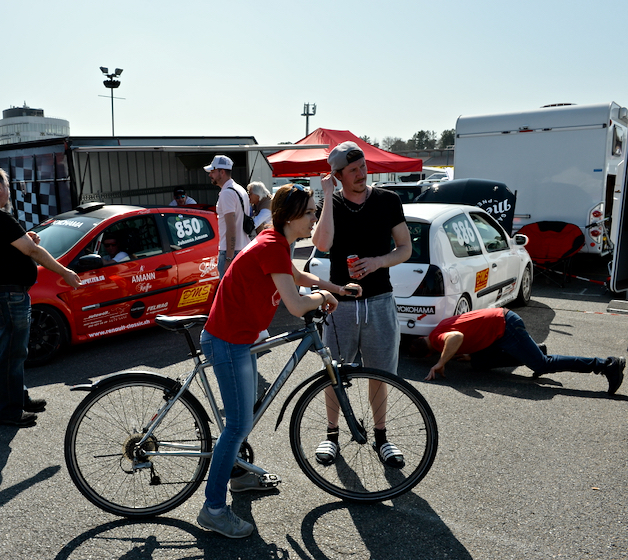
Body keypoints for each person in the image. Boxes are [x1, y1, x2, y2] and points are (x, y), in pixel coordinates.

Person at [196, 184, 361, 538]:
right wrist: (320, 297)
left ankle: (238, 477)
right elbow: (297, 304)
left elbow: (297, 277)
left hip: (237, 338)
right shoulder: (272, 244)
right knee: (238, 425)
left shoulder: (277, 241)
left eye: (314, 212)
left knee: (245, 416)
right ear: (289, 217)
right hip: (228, 341)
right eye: (308, 213)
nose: (314, 218)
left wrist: (335, 289)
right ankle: (212, 509)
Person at [311, 141, 412, 468]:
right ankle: (332, 435)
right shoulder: (334, 204)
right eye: (353, 170)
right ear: (337, 175)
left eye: (363, 167)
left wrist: (379, 262)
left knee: (380, 374)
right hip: (341, 304)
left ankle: (381, 437)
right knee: (333, 374)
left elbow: (406, 248)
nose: (361, 174)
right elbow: (322, 243)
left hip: (380, 300)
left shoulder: (387, 200)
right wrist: (327, 198)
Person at [0, 166, 82, 428]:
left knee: (13, 353)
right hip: (8, 296)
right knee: (10, 354)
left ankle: (18, 398)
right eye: (6, 186)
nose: (8, 191)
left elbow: (3, 249)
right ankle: (9, 412)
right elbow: (33, 251)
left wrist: (23, 240)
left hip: (0, 295)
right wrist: (64, 272)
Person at [408, 308, 625, 394]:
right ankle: (531, 352)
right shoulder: (438, 327)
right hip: (500, 322)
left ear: (428, 354)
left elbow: (457, 337)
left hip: (506, 327)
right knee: (478, 363)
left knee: (543, 364)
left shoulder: (437, 341)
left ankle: (606, 365)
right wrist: (468, 354)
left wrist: (441, 362)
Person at [205, 155, 250, 278]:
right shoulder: (240, 189)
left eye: (213, 172)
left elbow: (231, 227)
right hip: (243, 248)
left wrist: (229, 259)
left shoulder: (227, 193)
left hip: (231, 252)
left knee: (229, 295)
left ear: (222, 172)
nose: (210, 175)